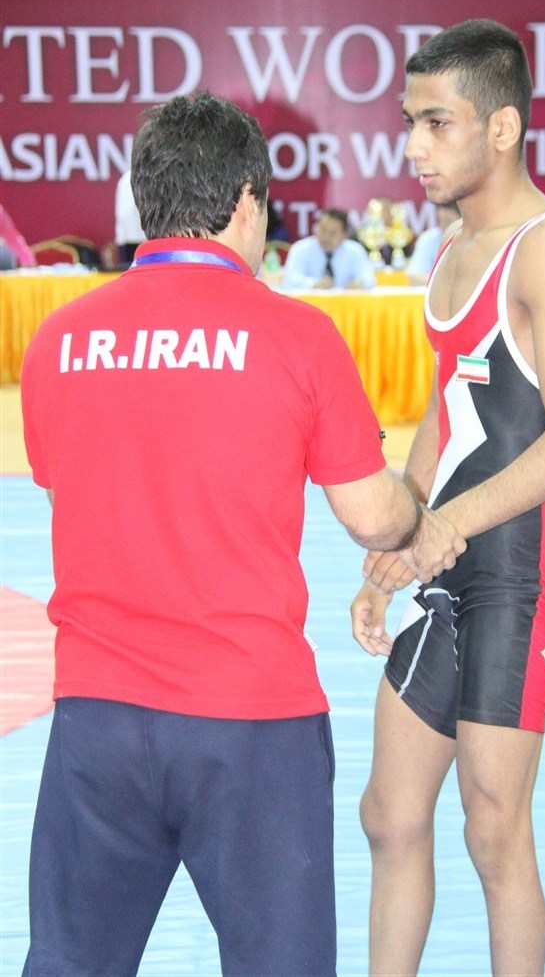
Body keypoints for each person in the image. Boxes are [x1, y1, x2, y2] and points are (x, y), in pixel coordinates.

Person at [19, 91, 465, 977]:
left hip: (98, 715)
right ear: (248, 202)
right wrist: (423, 520)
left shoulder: (58, 339)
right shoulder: (297, 335)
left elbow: (67, 481)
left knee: (71, 964)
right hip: (249, 719)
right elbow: (370, 516)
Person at [349, 19, 545, 976]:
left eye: (436, 124)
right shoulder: (454, 245)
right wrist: (397, 533)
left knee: (493, 829)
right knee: (389, 816)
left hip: (515, 565)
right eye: (409, 123)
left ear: (501, 129)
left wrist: (445, 525)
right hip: (446, 556)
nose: (413, 148)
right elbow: (446, 407)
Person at [281, 207, 377, 289]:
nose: (326, 237)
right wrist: (314, 283)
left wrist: (360, 283)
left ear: (345, 235)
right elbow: (289, 279)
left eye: (333, 233)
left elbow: (369, 279)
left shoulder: (355, 250)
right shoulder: (301, 248)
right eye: (323, 230)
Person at [406, 202, 460, 285]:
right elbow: (414, 276)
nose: (443, 226)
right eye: (441, 221)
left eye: (448, 222)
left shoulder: (474, 240)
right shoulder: (428, 239)